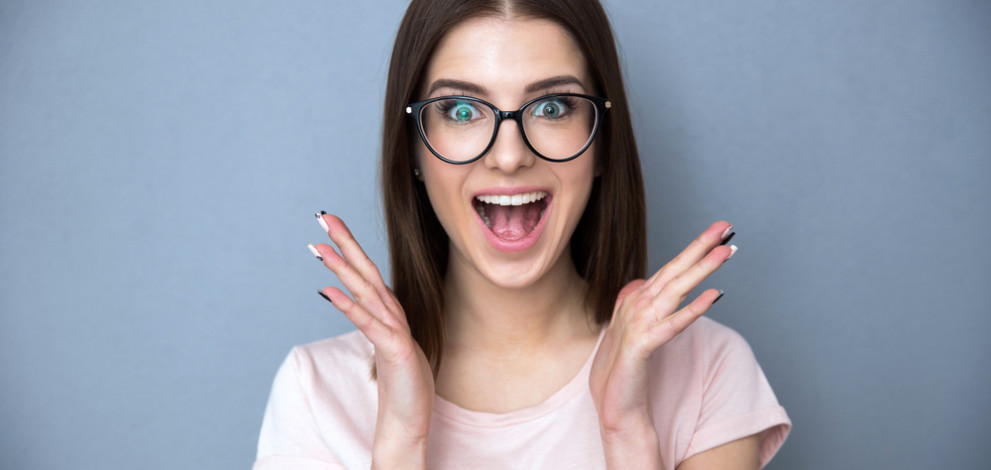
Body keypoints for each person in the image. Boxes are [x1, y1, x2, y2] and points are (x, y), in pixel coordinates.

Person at [254, 0, 790, 468]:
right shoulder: (317, 391)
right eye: (461, 110)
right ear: (413, 149)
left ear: (602, 142)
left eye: (553, 107)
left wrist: (625, 432)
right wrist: (401, 441)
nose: (509, 156)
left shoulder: (708, 369)